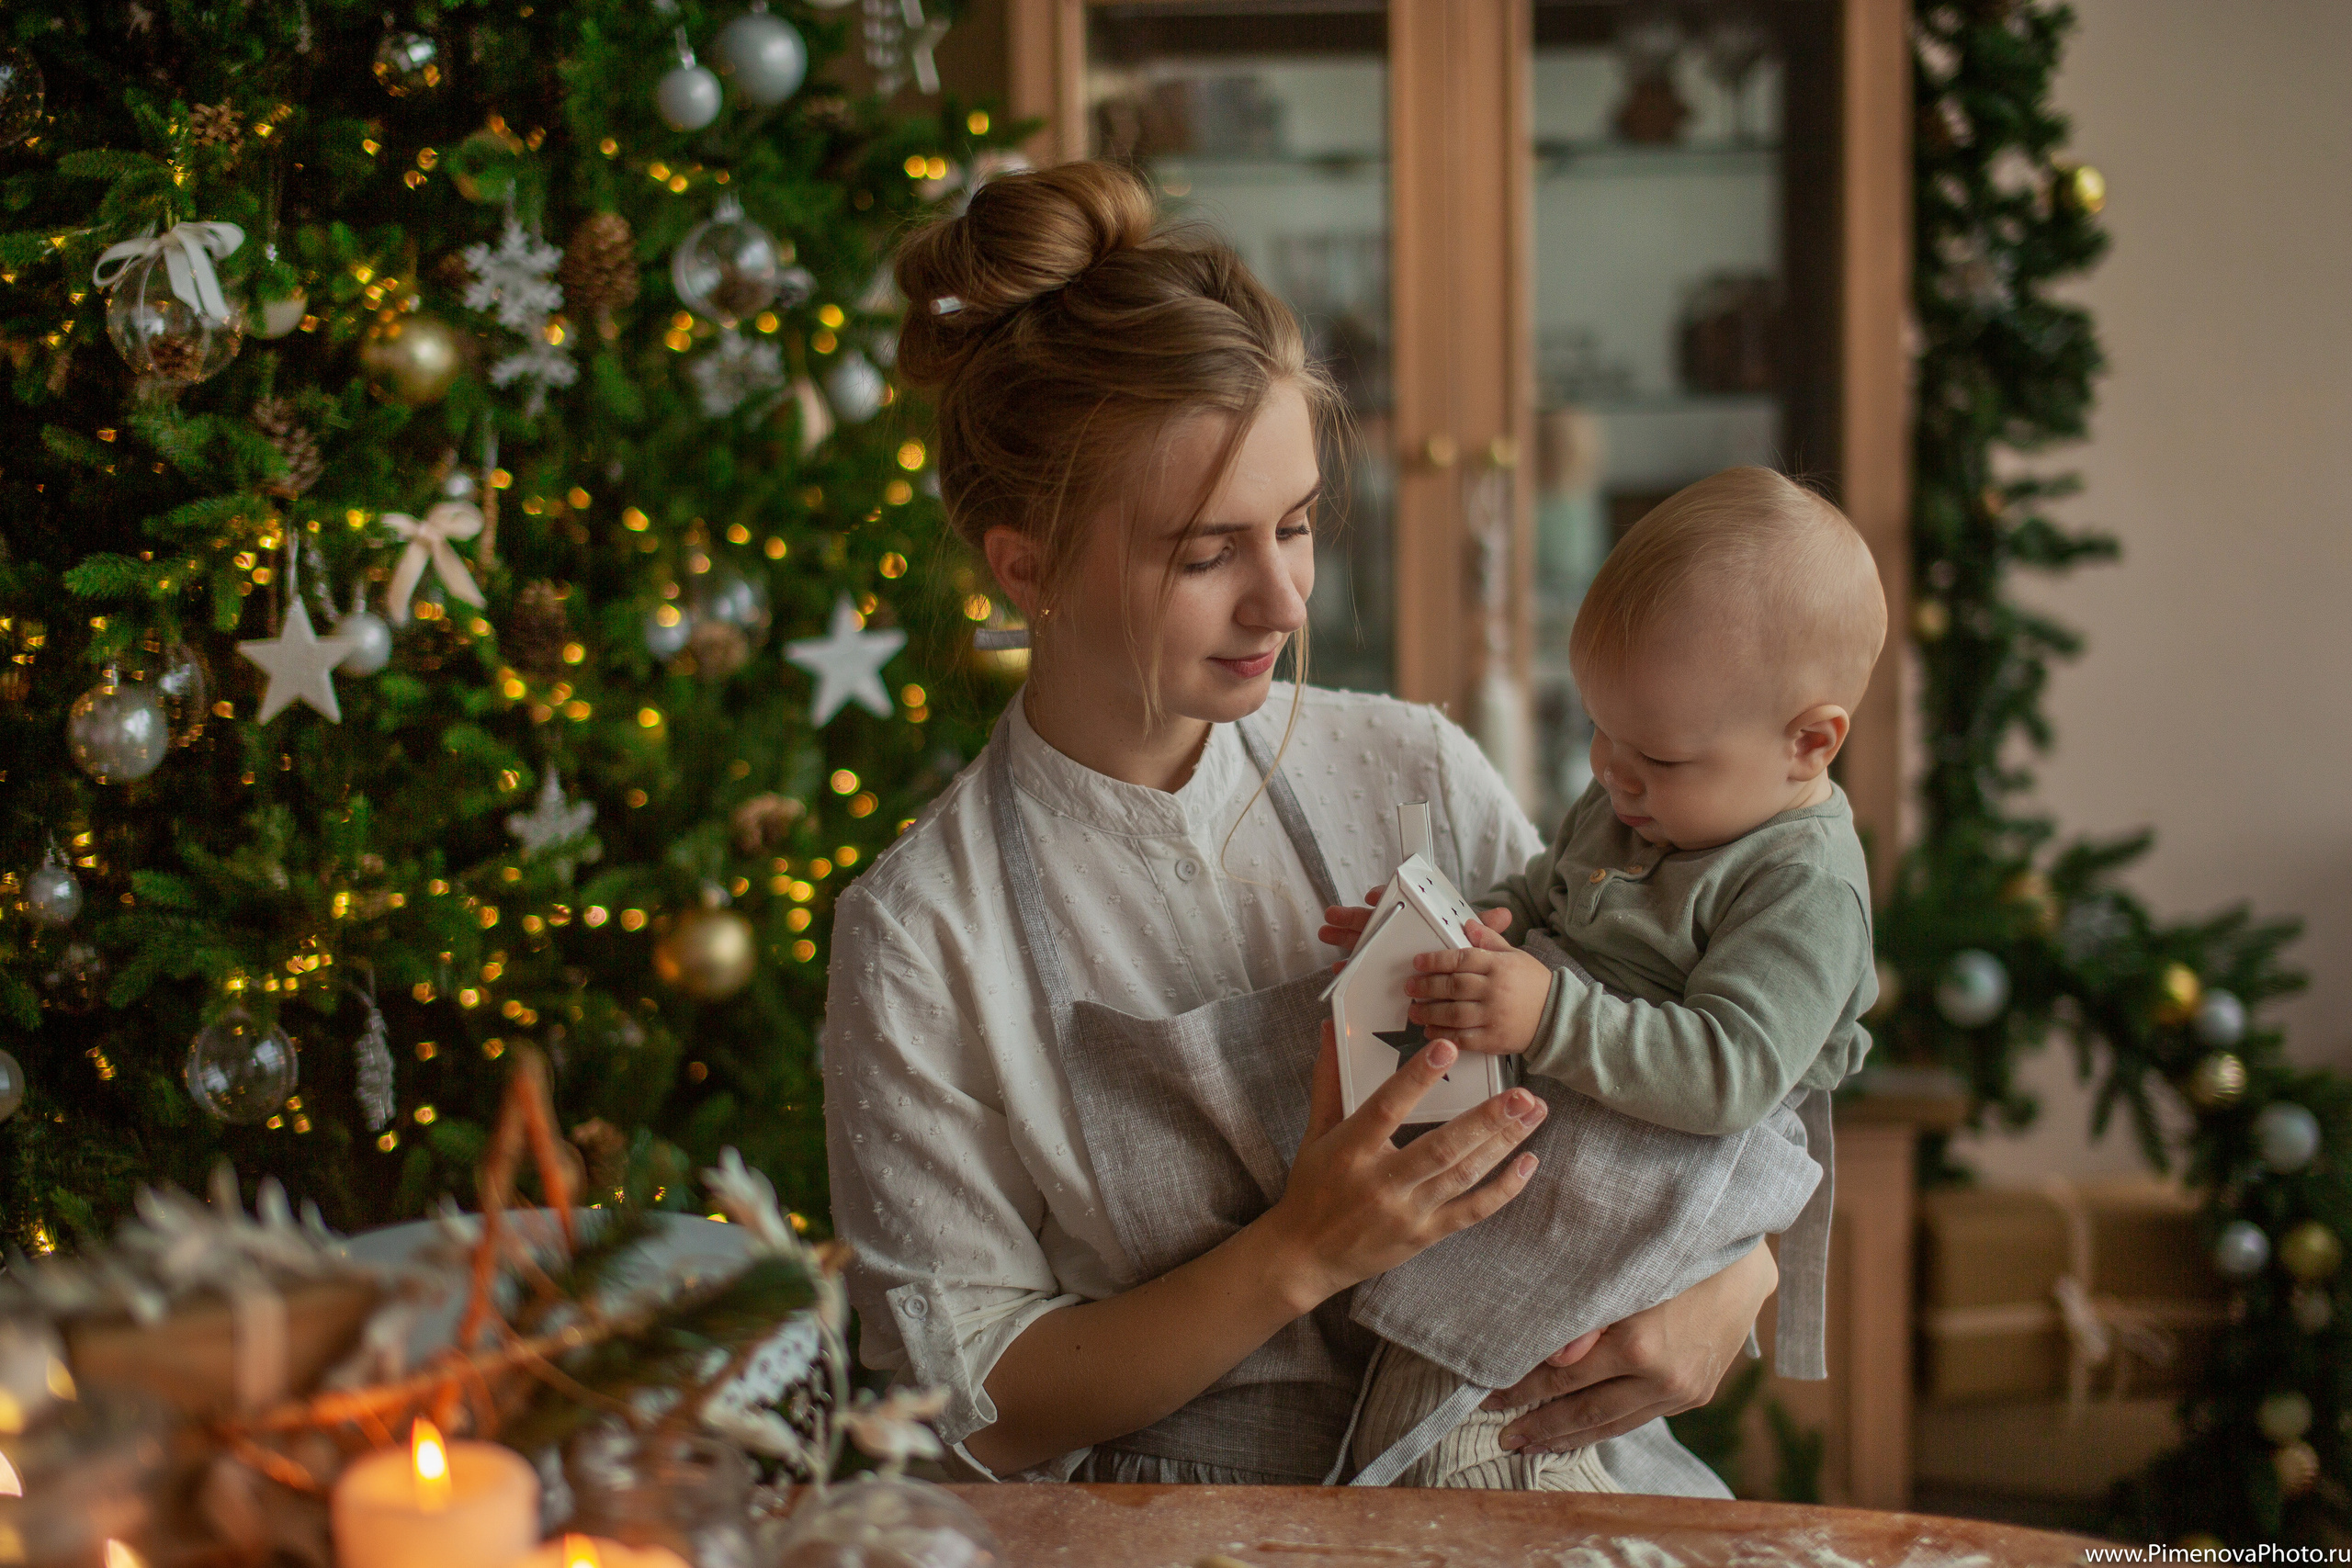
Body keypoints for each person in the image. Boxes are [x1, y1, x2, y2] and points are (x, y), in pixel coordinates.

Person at [821, 159, 1783, 1490]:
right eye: (1205, 553)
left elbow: (1693, 1038)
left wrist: (1740, 1270)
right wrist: (1303, 1248)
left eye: (1299, 524)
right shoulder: (927, 932)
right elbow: (974, 1405)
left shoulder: (1413, 768)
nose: (1281, 599)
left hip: (1535, 1482)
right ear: (1023, 562)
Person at [1326, 467, 1885, 1488]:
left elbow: (1729, 1076)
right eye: (1601, 734)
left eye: (1658, 757)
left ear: (1809, 742)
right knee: (1432, 1374)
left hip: (1683, 1155)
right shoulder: (1635, 798)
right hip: (1572, 1106)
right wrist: (1447, 928)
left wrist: (1543, 1011)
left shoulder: (1802, 888)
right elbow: (1544, 895)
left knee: (1507, 1407)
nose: (1613, 774)